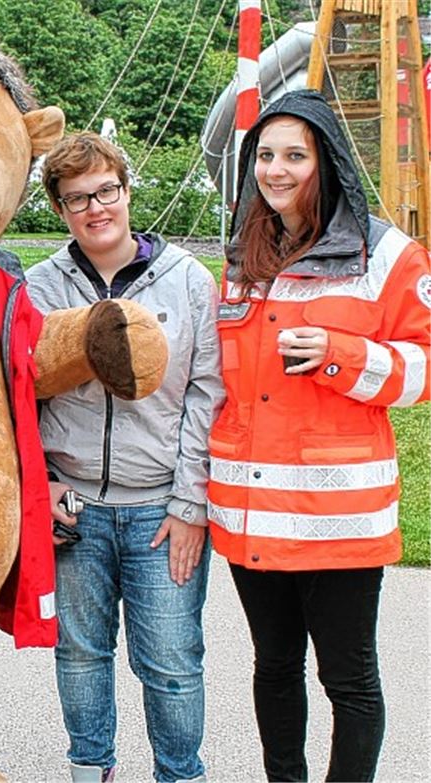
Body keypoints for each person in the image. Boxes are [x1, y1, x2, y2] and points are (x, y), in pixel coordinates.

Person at [209, 89, 430, 782]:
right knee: (273, 666)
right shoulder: (244, 254)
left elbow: (424, 371)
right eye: (265, 156)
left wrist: (345, 355)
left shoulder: (387, 254)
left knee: (348, 676)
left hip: (337, 516)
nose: (275, 170)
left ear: (327, 162)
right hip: (249, 512)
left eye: (293, 156)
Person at [26, 132, 223, 783]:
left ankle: (179, 772)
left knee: (170, 659)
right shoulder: (41, 286)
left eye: (105, 191)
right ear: (59, 208)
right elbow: (17, 389)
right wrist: (43, 481)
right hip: (74, 505)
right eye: (77, 198)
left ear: (127, 190)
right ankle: (92, 770)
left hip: (158, 508)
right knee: (79, 653)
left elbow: (206, 392)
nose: (95, 208)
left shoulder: (188, 280)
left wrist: (191, 502)